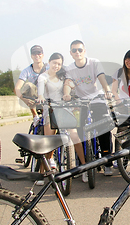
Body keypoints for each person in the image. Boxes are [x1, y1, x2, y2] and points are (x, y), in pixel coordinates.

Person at [62, 40, 114, 181]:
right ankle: (82, 162)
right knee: (79, 130)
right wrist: (66, 94)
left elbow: (101, 77)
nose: (77, 52)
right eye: (74, 50)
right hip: (80, 101)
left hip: (97, 99)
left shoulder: (94, 62)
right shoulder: (70, 68)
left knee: (104, 128)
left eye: (80, 49)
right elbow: (68, 82)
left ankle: (107, 161)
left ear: (84, 51)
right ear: (71, 53)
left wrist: (107, 90)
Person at [35, 52, 81, 186]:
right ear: (49, 62)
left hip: (64, 108)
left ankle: (80, 168)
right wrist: (40, 96)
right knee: (49, 140)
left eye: (59, 64)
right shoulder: (43, 77)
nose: (56, 66)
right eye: (54, 63)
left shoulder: (63, 76)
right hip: (49, 108)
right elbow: (40, 89)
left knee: (74, 133)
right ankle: (41, 172)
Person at [14, 45, 49, 126]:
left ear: (42, 55)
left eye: (39, 53)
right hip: (34, 96)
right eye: (34, 54)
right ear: (31, 56)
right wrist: (24, 99)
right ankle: (35, 116)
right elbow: (17, 87)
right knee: (28, 85)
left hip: (47, 94)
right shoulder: (27, 71)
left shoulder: (49, 67)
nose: (37, 56)